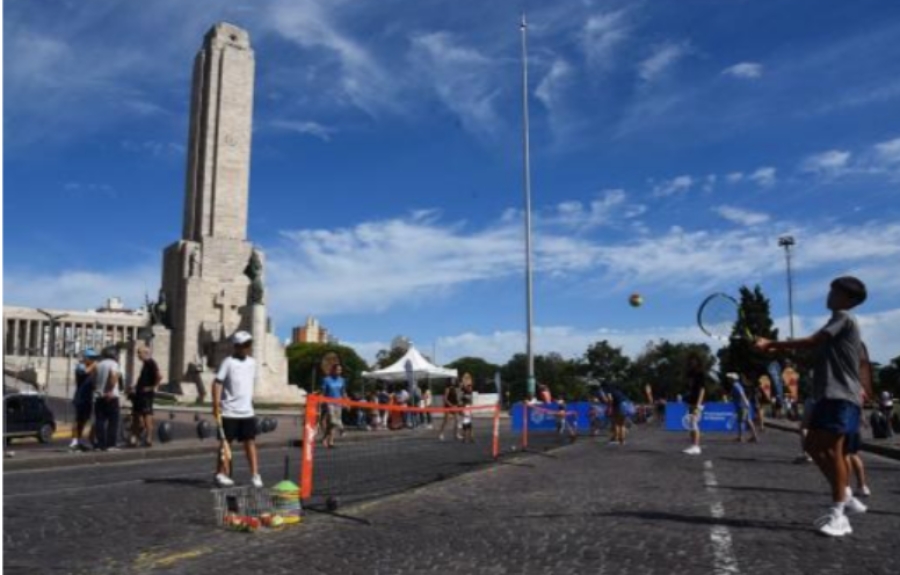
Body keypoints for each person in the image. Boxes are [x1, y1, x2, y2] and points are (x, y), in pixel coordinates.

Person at [756, 276, 868, 537]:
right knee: (812, 446)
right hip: (829, 395)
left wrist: (772, 343)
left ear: (848, 299)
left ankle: (839, 515)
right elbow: (813, 356)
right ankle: (847, 495)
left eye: (835, 291)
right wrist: (779, 352)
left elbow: (810, 342)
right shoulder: (836, 323)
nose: (829, 295)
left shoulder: (845, 318)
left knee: (833, 451)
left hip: (841, 396)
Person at [213, 331, 262, 488]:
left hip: (247, 411)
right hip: (229, 411)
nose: (248, 348)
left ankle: (255, 475)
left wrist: (250, 402)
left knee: (250, 443)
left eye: (249, 344)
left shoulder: (253, 363)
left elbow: (247, 385)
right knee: (226, 444)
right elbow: (217, 383)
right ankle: (221, 474)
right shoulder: (228, 362)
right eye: (245, 345)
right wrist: (215, 404)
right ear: (236, 346)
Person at [129, 347, 161, 447]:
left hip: (146, 395)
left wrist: (152, 387)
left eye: (139, 353)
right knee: (138, 416)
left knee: (147, 415)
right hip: (140, 394)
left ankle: (148, 438)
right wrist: (135, 387)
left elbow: (159, 376)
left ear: (146, 353)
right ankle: (137, 437)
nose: (138, 355)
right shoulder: (145, 364)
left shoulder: (151, 362)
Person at [92, 346, 122, 451]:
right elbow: (113, 377)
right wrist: (109, 391)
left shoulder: (98, 365)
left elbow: (94, 380)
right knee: (113, 421)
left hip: (99, 396)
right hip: (111, 396)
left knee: (100, 420)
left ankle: (101, 444)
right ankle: (111, 445)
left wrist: (98, 391)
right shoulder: (114, 364)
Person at [70, 348, 99, 452]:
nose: (94, 360)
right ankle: (74, 441)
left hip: (88, 397)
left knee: (84, 420)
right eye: (91, 358)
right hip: (80, 397)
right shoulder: (81, 366)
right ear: (86, 358)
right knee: (78, 420)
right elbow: (84, 372)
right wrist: (94, 365)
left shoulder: (93, 369)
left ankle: (79, 440)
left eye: (95, 358)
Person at [682, 353, 706, 455]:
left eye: (693, 360)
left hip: (697, 402)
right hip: (691, 401)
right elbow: (690, 388)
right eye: (690, 360)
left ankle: (696, 446)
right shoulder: (690, 374)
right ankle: (693, 445)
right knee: (691, 423)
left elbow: (702, 390)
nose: (691, 362)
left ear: (697, 361)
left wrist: (698, 405)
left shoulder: (700, 374)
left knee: (693, 422)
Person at [725, 373, 758, 443]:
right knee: (748, 420)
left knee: (741, 421)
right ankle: (754, 436)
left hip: (741, 405)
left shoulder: (735, 385)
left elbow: (741, 394)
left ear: (733, 379)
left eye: (730, 378)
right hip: (744, 405)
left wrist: (745, 401)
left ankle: (741, 437)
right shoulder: (738, 385)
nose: (728, 380)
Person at [320, 364, 347, 448]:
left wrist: (346, 401)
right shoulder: (326, 380)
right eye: (337, 370)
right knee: (332, 419)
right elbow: (323, 392)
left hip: (338, 402)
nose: (339, 371)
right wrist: (321, 401)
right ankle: (342, 428)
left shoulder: (342, 380)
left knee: (332, 423)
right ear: (333, 370)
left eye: (340, 370)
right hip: (329, 402)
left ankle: (328, 440)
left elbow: (343, 392)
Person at [460, 373, 475, 443]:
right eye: (469, 387)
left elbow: (471, 402)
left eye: (471, 387)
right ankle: (465, 438)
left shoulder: (469, 394)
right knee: (466, 425)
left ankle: (471, 438)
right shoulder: (464, 394)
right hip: (465, 409)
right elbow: (463, 403)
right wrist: (462, 411)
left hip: (469, 409)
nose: (471, 388)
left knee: (470, 425)